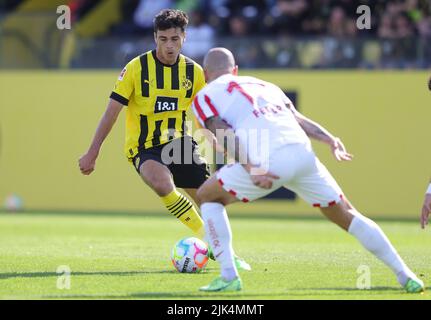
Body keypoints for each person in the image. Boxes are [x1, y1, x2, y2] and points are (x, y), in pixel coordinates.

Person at [192, 47, 425, 293]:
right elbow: (298, 119)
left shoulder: (205, 95)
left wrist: (252, 167)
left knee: (207, 195)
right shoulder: (266, 86)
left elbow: (220, 130)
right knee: (347, 214)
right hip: (303, 154)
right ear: (235, 70)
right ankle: (405, 274)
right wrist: (330, 139)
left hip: (267, 160)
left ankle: (229, 275)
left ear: (206, 74)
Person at [78, 10, 249, 270]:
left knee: (209, 200)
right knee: (161, 183)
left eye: (175, 39)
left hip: (180, 145)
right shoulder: (136, 68)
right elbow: (111, 113)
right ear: (155, 38)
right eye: (163, 39)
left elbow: (207, 114)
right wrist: (93, 152)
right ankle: (213, 244)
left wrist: (220, 141)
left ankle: (226, 252)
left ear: (184, 38)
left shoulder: (194, 72)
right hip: (144, 146)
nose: (169, 45)